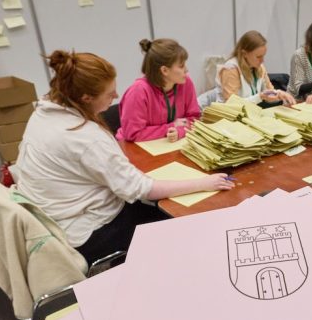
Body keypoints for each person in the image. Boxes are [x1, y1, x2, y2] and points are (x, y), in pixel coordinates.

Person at [16, 50, 234, 264]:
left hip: (56, 218)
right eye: (110, 94)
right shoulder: (85, 138)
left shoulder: (43, 113)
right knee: (179, 223)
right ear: (85, 97)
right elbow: (140, 188)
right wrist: (204, 183)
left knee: (156, 210)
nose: (116, 97)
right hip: (86, 232)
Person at [117, 38, 200, 143]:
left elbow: (194, 119)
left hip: (167, 146)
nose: (186, 70)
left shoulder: (185, 83)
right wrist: (170, 127)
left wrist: (180, 132)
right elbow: (133, 134)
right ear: (164, 70)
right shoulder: (138, 91)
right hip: (135, 148)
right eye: (181, 66)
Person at [215, 30, 296, 105]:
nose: (262, 60)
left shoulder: (259, 67)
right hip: (229, 117)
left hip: (249, 113)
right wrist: (260, 97)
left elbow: (269, 93)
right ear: (244, 54)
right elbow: (231, 104)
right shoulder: (231, 69)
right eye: (258, 57)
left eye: (263, 56)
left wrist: (279, 94)